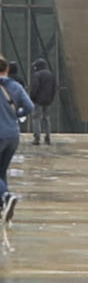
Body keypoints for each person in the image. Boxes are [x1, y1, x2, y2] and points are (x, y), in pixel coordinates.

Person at [0, 61, 33, 224]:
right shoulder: (16, 86)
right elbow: (29, 107)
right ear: (6, 69)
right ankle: (3, 205)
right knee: (2, 170)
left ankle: (7, 196)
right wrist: (16, 113)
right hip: (13, 135)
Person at [28, 60, 56, 144]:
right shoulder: (51, 74)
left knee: (36, 118)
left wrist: (32, 98)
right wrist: (51, 98)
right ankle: (47, 137)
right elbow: (54, 88)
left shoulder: (37, 74)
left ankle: (37, 138)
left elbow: (35, 88)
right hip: (48, 100)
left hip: (38, 100)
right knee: (46, 118)